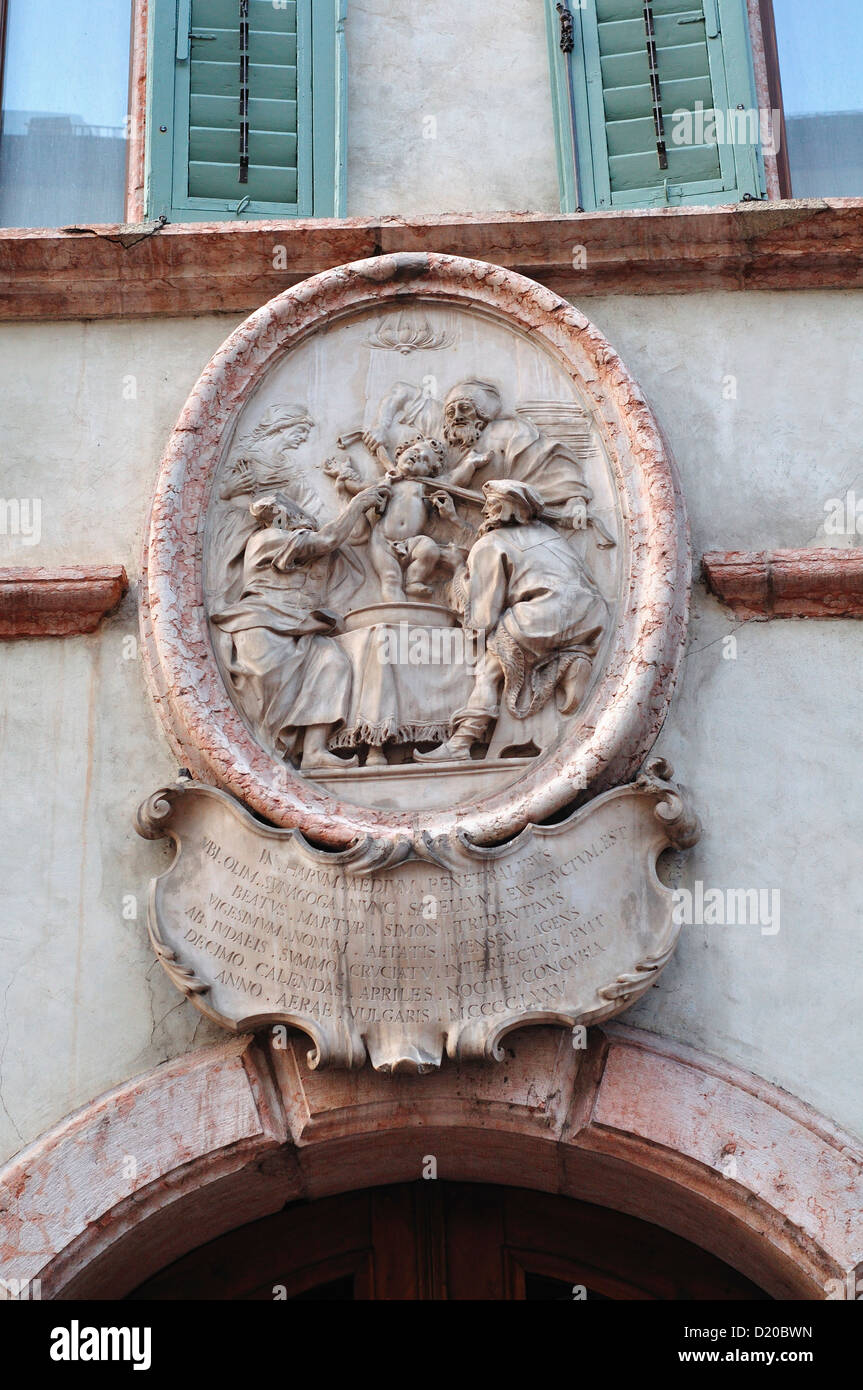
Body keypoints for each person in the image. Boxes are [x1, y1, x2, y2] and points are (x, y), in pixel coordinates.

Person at [415, 480, 607, 762]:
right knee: (520, 646)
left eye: (489, 507)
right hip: (591, 612)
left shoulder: (489, 545)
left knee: (488, 668)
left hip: (544, 612)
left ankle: (462, 741)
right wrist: (455, 521)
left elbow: (483, 618)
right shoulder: (547, 534)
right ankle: (570, 659)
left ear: (496, 511)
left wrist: (458, 571)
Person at [210, 483, 390, 769]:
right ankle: (268, 755)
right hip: (264, 628)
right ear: (283, 518)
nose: (308, 524)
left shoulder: (293, 547)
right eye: (302, 520)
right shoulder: (269, 538)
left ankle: (313, 751)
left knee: (332, 661)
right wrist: (357, 504)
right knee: (271, 699)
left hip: (294, 628)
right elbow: (326, 539)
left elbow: (339, 545)